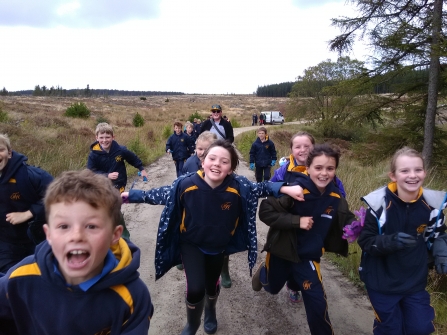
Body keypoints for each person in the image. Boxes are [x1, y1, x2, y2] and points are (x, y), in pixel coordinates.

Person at [121, 140, 305, 335]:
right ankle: (192, 324)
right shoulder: (186, 184)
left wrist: (284, 188)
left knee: (211, 285)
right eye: (212, 158)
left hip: (219, 246)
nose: (217, 163)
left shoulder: (238, 187)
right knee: (195, 288)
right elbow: (159, 194)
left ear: (232, 168)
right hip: (190, 243)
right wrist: (128, 196)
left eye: (224, 161)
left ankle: (210, 310)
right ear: (203, 161)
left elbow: (262, 187)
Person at [0, 169, 154, 334]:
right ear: (49, 234)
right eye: (64, 226)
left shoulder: (133, 296)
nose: (76, 236)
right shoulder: (21, 277)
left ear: (114, 235)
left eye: (91, 226)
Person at [253, 144, 355, 335]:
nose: (324, 173)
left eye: (330, 168)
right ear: (307, 169)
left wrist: (358, 228)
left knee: (317, 304)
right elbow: (265, 211)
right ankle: (264, 273)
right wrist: (296, 221)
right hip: (281, 252)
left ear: (335, 170)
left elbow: (347, 219)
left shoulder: (336, 197)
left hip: (307, 257)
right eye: (318, 168)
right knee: (272, 288)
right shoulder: (296, 191)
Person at [358, 147, 447, 335]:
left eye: (418, 170)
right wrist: (389, 241)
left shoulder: (432, 205)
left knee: (420, 328)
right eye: (405, 171)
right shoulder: (379, 205)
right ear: (393, 175)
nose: (412, 175)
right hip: (381, 282)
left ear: (425, 172)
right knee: (390, 329)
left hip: (414, 282)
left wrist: (441, 252)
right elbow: (366, 241)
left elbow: (438, 233)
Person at [270, 131, 346, 303]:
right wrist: (284, 190)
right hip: (287, 226)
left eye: (307, 146)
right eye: (298, 147)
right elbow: (270, 189)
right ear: (291, 150)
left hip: (314, 226)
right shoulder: (284, 171)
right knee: (283, 264)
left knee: (303, 262)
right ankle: (269, 274)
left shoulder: (324, 172)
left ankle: (294, 285)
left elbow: (340, 196)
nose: (302, 150)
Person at [0, 134, 53, 274]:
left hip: (35, 239)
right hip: (5, 244)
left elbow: (58, 197)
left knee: (40, 275)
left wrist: (29, 213)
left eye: (0, 150)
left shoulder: (31, 176)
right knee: (11, 279)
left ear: (9, 153)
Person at [87, 122, 149, 194]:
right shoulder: (93, 155)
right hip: (102, 187)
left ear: (113, 137)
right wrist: (107, 175)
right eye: (101, 137)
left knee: (117, 204)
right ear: (96, 138)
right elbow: (91, 172)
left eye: (107, 137)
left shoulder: (120, 150)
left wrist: (142, 169)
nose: (104, 140)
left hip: (119, 185)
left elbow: (133, 158)